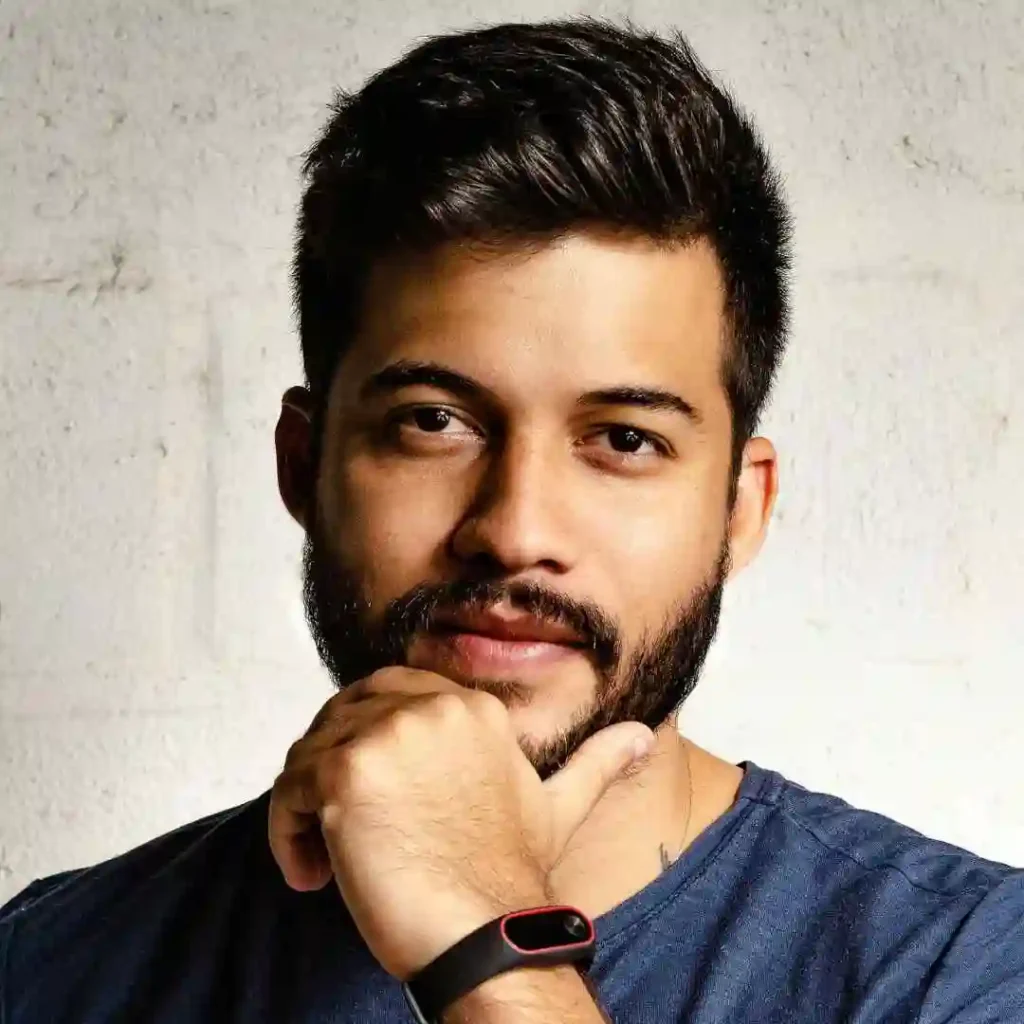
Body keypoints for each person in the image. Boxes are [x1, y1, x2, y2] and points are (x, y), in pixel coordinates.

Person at [2, 15, 1021, 1024]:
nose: (514, 527)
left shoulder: (963, 973)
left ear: (738, 509)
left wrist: (488, 941)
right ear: (302, 465)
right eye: (432, 422)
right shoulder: (47, 967)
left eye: (624, 439)